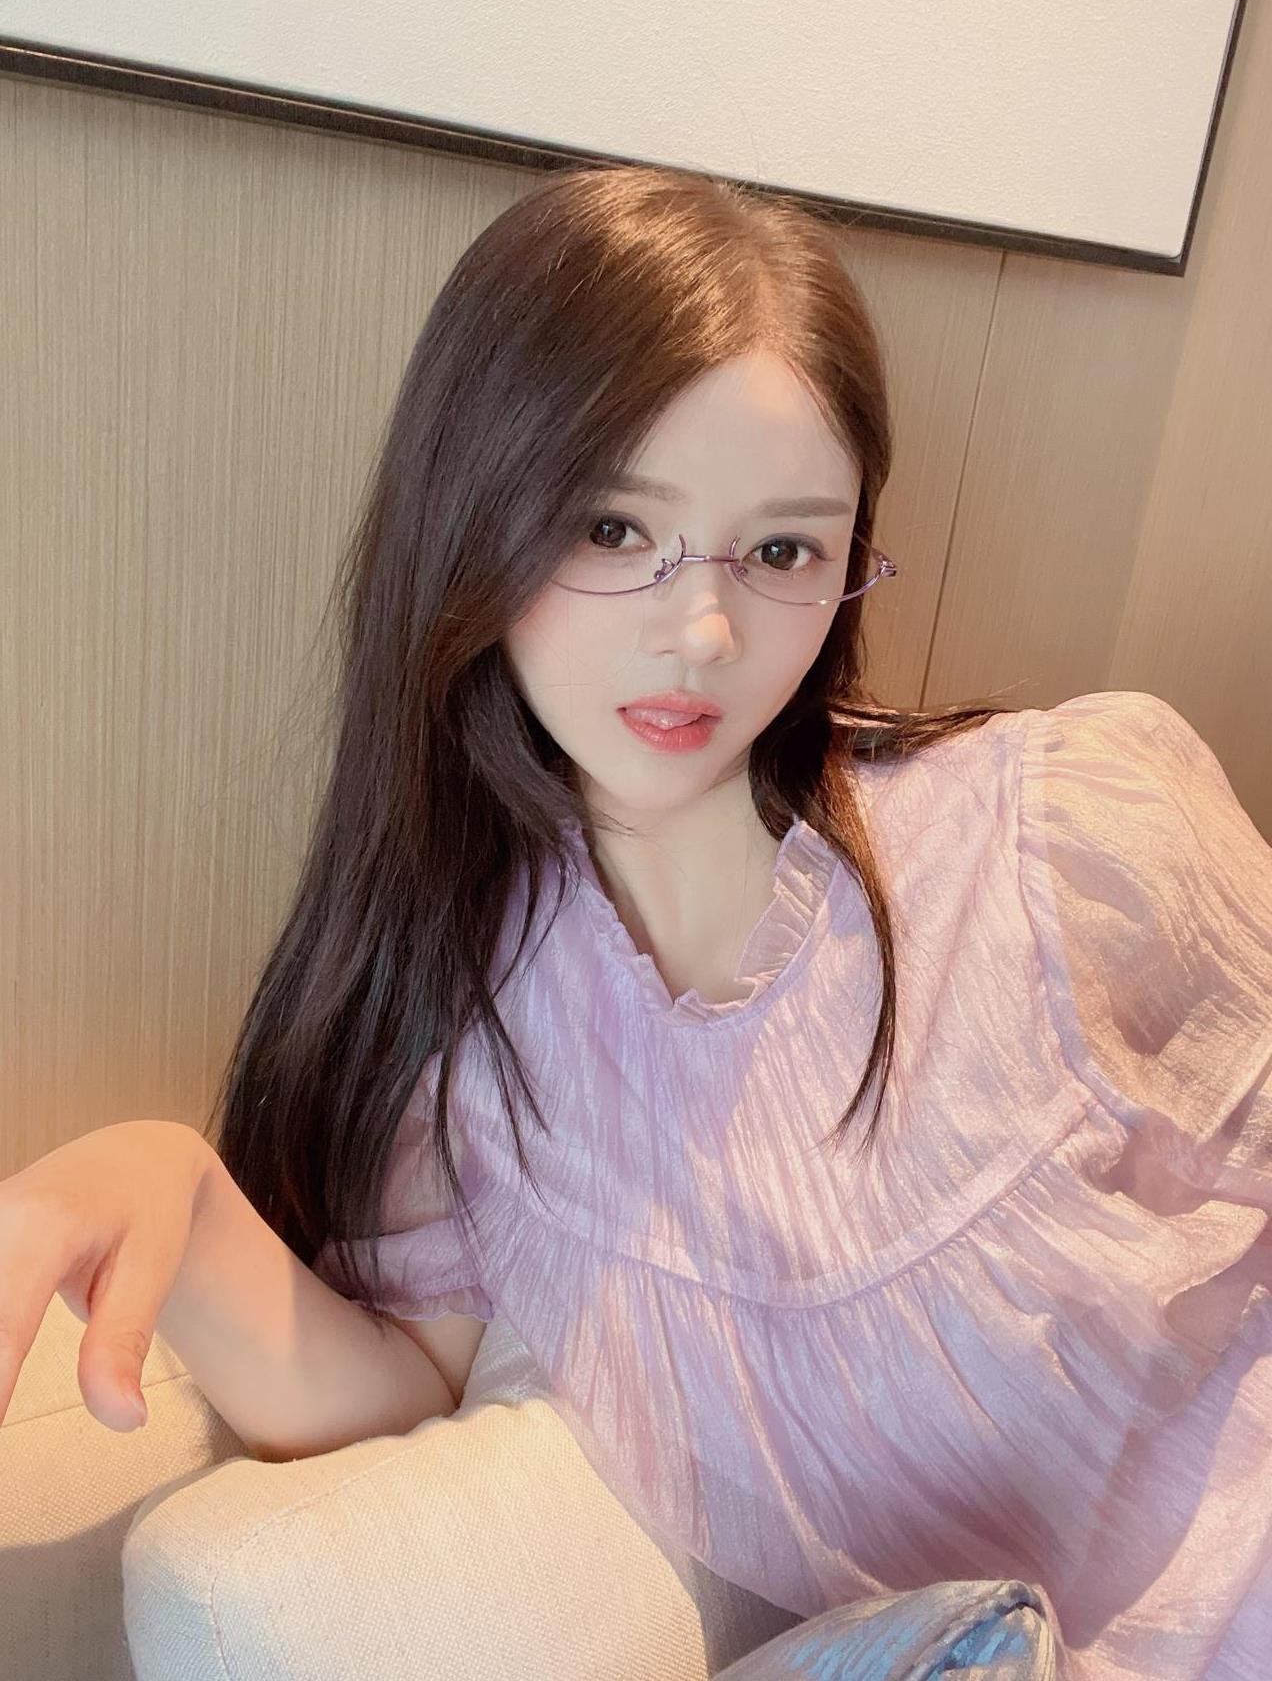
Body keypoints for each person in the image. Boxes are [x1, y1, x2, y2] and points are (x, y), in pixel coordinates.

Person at [4, 161, 1269, 1677]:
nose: (704, 632)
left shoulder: (1061, 836)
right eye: (611, 529)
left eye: (783, 549)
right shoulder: (478, 1032)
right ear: (473, 524)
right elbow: (405, 1398)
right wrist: (176, 1194)